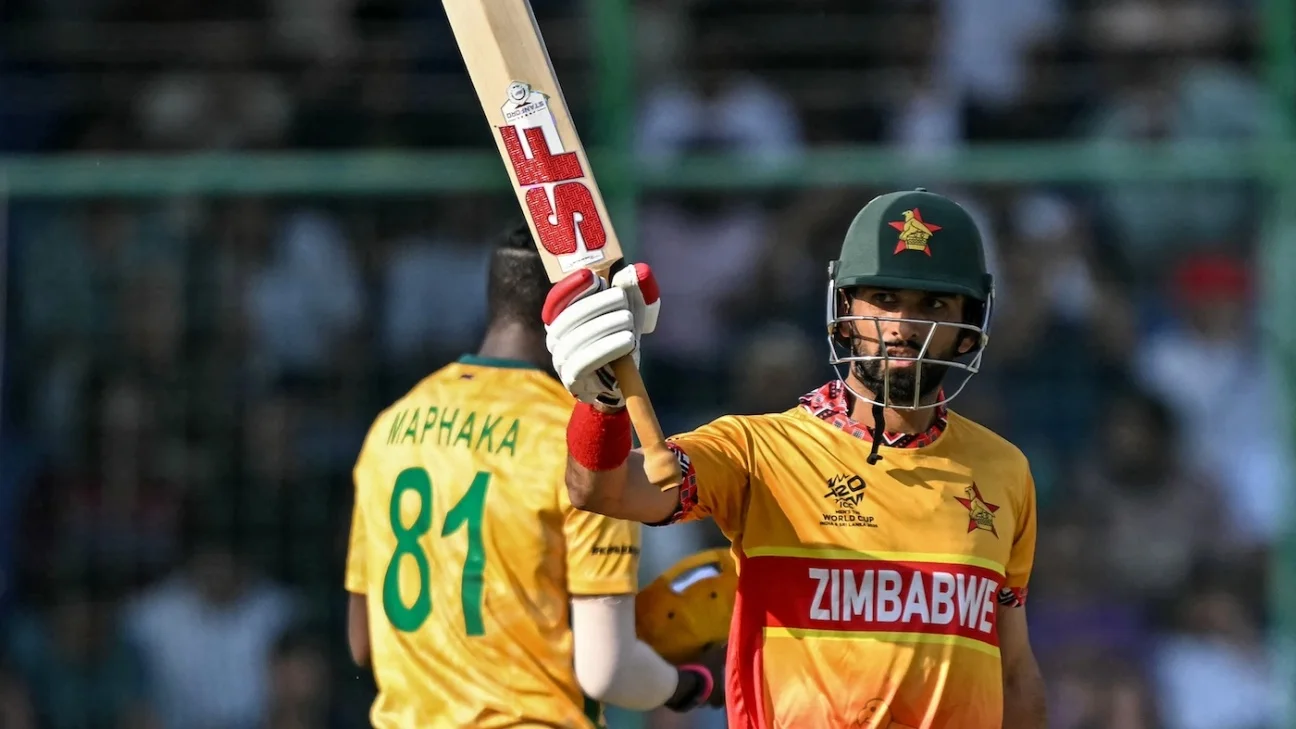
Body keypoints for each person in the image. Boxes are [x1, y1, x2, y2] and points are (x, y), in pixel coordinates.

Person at [544, 189, 1048, 728]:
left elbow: (1012, 670)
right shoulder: (757, 452)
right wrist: (601, 404)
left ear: (970, 325)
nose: (903, 326)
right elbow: (604, 489)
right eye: (882, 298)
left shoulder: (1004, 471)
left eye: (934, 305)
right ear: (845, 312)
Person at [343, 223, 724, 728]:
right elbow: (606, 671)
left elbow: (362, 643)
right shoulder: (582, 451)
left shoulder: (391, 427)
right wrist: (695, 683)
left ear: (497, 295)